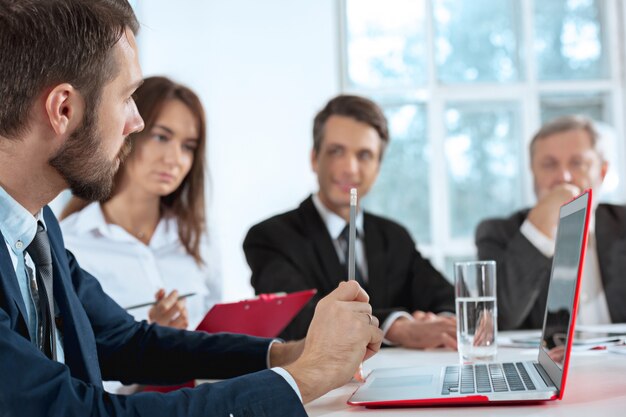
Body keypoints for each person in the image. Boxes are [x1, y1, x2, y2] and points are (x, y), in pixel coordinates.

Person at [0, 1, 383, 416]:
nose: (136, 122)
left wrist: (291, 353)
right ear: (64, 110)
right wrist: (308, 376)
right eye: (127, 97)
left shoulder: (38, 230)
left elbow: (129, 343)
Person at [244, 94, 457, 349]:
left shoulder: (394, 237)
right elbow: (297, 318)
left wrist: (438, 325)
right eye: (336, 151)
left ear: (378, 167)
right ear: (314, 158)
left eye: (365, 155)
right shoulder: (270, 237)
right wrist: (397, 327)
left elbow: (446, 298)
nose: (350, 169)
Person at [60, 76, 220, 332]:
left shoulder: (197, 237)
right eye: (161, 137)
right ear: (128, 130)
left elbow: (215, 334)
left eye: (188, 147)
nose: (175, 159)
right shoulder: (70, 244)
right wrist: (150, 335)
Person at [476, 115, 626, 330]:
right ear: (533, 174)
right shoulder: (497, 233)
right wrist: (538, 229)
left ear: (602, 172)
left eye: (578, 164)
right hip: (547, 363)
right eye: (549, 165)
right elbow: (496, 322)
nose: (563, 177)